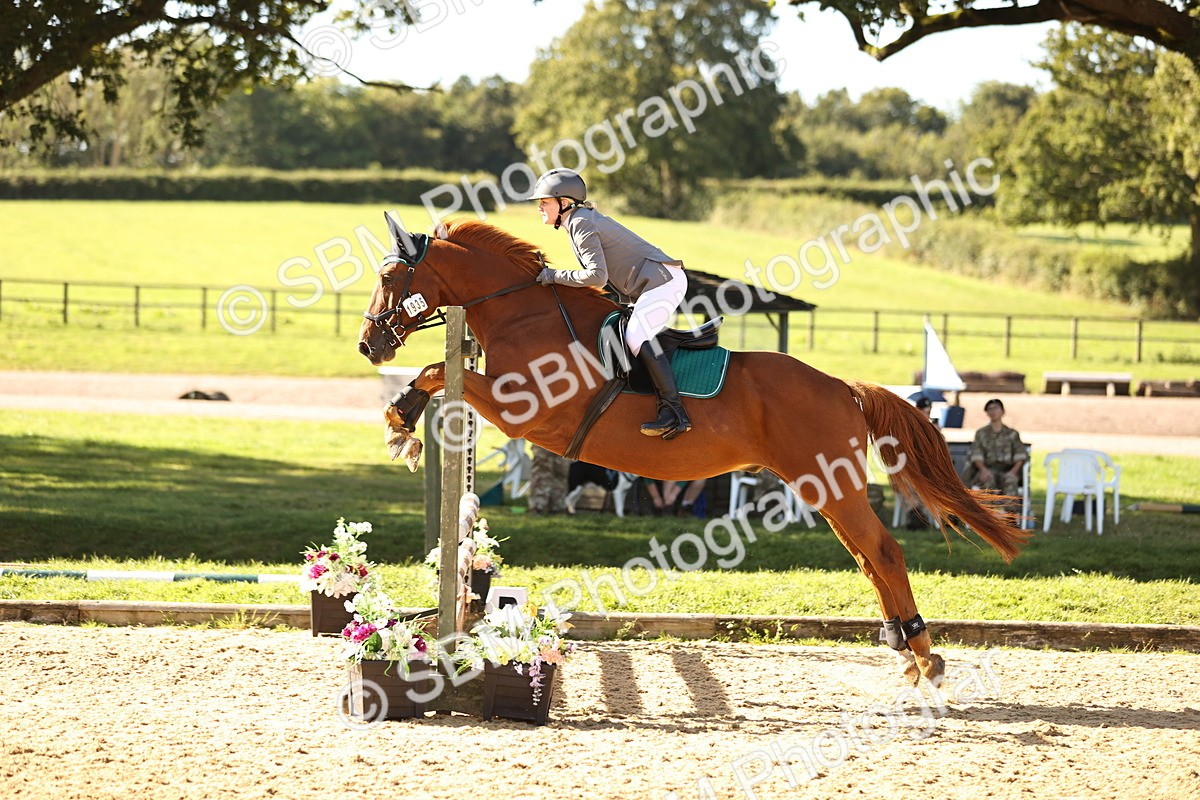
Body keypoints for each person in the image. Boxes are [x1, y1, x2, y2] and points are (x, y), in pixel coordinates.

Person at [530, 168, 691, 439]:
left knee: (636, 336)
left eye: (544, 202)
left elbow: (597, 276)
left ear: (564, 202)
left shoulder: (581, 223)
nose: (540, 208)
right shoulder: (578, 221)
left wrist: (553, 276)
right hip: (653, 284)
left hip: (664, 282)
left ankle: (675, 412)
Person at [963, 398, 1026, 498]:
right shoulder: (981, 433)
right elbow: (976, 455)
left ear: (1003, 411)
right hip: (987, 470)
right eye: (989, 409)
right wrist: (983, 470)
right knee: (987, 484)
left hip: (1007, 470)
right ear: (987, 413)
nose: (993, 411)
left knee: (1010, 483)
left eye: (996, 408)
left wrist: (1013, 472)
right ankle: (986, 509)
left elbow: (1020, 456)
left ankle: (1010, 508)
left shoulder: (1012, 434)